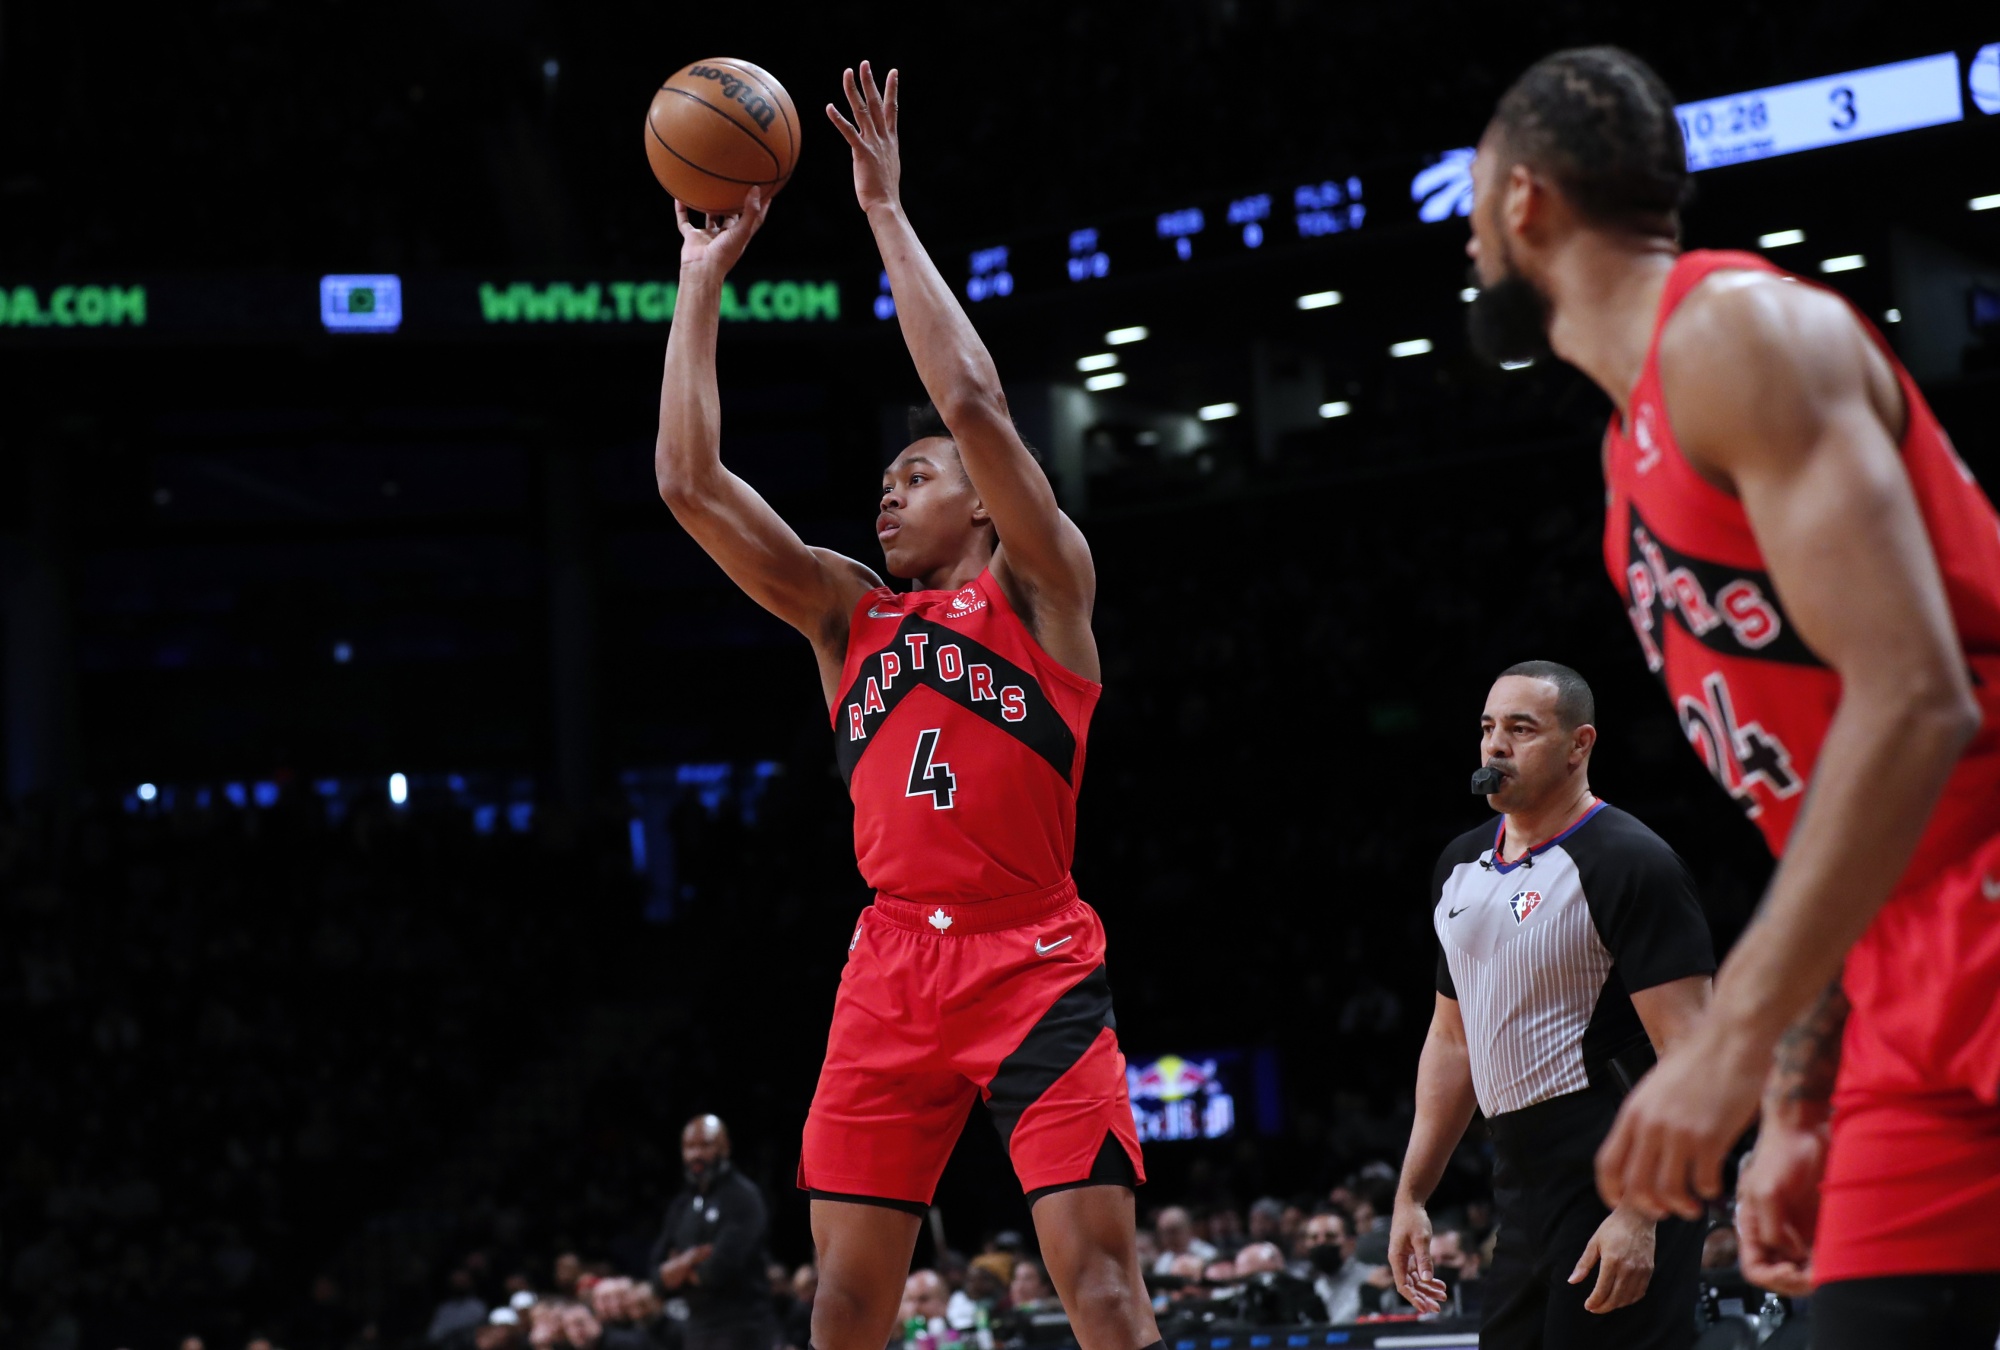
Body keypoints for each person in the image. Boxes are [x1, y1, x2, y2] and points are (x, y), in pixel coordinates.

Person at [1460, 44, 2000, 1350]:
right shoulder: (1625, 463)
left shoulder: (1738, 333)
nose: (1470, 240)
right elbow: (1825, 799)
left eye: (1473, 205)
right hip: (1898, 980)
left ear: (1523, 202)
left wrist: (1731, 1043)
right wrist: (1807, 1083)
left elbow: (1920, 701)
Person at [653, 61, 1158, 1350]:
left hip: (1033, 955)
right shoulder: (846, 615)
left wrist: (882, 212)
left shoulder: (1046, 590)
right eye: (883, 477)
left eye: (916, 474)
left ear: (985, 503)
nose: (890, 491)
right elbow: (689, 486)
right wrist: (696, 292)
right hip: (889, 964)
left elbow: (973, 401)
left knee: (1097, 1287)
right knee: (845, 1301)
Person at [1390, 662, 1714, 1348]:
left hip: (1620, 1167)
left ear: (1580, 744)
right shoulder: (1460, 865)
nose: (1495, 746)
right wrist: (1412, 1195)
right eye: (1486, 728)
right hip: (1520, 1182)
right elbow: (1452, 1040)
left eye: (1521, 728)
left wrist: (1641, 1214)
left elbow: (1695, 1058)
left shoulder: (1632, 862)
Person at [647, 1116, 776, 1350]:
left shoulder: (743, 1197)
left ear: (724, 1147)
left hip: (743, 1329)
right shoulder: (682, 1204)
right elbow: (656, 1275)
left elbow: (717, 1269)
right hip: (696, 1330)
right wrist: (690, 1261)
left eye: (705, 1145)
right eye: (689, 1147)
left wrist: (678, 1268)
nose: (696, 1154)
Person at [1298, 1211, 1364, 1325]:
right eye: (1314, 1238)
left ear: (1351, 1244)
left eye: (1330, 1236)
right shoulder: (1308, 1287)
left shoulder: (1373, 1279)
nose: (1321, 1242)